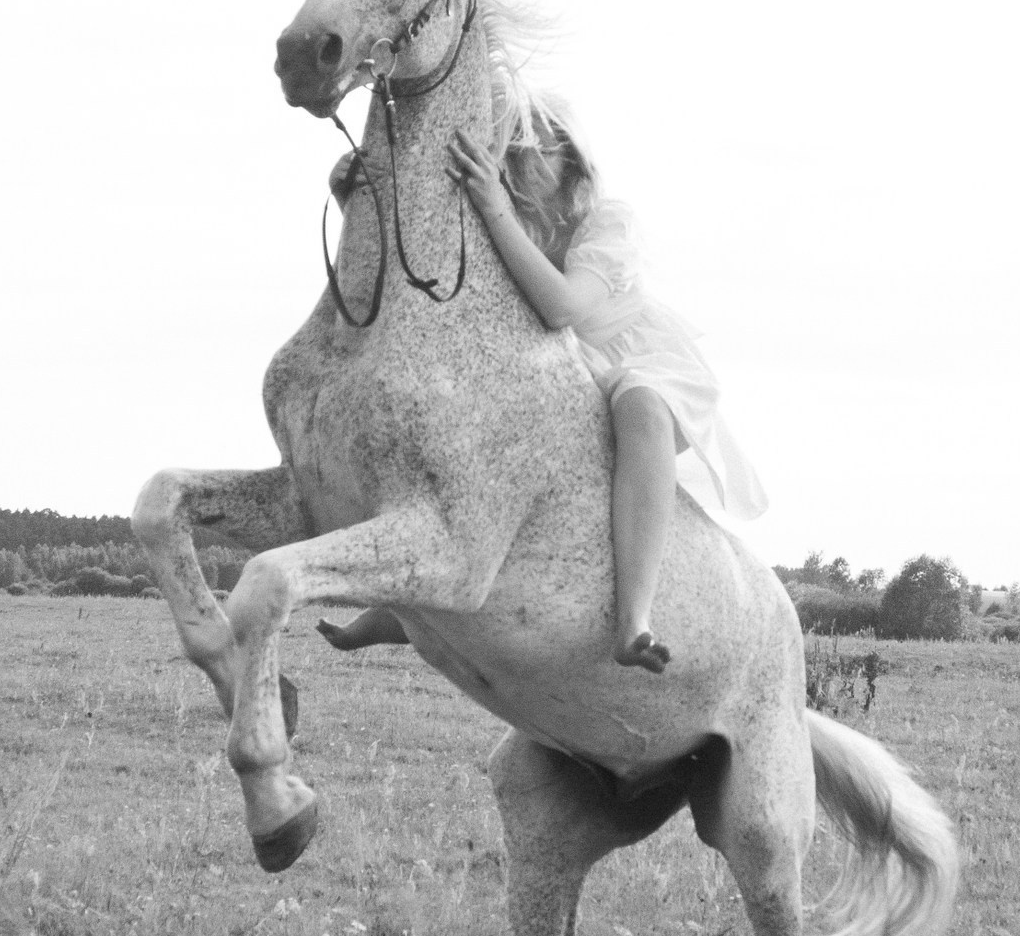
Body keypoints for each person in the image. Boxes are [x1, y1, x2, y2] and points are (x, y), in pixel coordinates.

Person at [320, 100, 766, 672]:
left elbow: (564, 308)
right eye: (511, 148)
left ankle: (635, 614)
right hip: (555, 371)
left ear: (573, 163)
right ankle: (408, 606)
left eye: (538, 147)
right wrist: (353, 196)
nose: (521, 158)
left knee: (643, 406)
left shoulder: (607, 221)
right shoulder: (506, 218)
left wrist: (492, 204)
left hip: (630, 359)